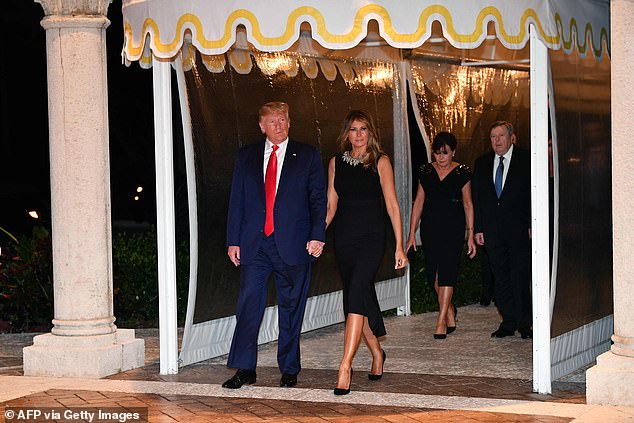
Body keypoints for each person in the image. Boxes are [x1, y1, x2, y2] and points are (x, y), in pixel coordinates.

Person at [223, 101, 327, 389]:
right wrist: (233, 240)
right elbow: (237, 201)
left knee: (291, 308)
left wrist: (317, 235)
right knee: (248, 305)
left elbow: (318, 199)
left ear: (289, 121)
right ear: (261, 126)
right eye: (272, 121)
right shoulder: (246, 156)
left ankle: (289, 369)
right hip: (255, 245)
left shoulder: (307, 155)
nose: (278, 125)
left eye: (282, 119)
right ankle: (245, 369)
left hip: (294, 245)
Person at [325, 110, 408, 396]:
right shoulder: (336, 163)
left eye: (363, 129)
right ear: (346, 133)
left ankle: (345, 366)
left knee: (357, 293)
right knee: (356, 298)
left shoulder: (380, 162)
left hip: (372, 239)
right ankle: (377, 352)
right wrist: (315, 235)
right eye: (353, 129)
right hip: (344, 240)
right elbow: (330, 206)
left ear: (370, 132)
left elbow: (392, 205)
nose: (358, 134)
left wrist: (399, 245)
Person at [405, 132, 476, 339]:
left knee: (448, 271)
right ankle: (450, 309)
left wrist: (470, 234)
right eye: (437, 153)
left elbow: (468, 203)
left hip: (454, 226)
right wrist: (411, 234)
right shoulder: (425, 171)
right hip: (430, 226)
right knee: (432, 274)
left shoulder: (462, 172)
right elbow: (418, 203)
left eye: (445, 153)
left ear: (453, 151)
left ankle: (441, 320)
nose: (441, 157)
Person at [472, 120, 532, 339]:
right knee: (501, 278)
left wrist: (533, 223)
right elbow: (477, 199)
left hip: (519, 230)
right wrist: (478, 228)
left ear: (511, 137)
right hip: (492, 231)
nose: (497, 141)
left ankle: (525, 322)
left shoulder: (527, 160)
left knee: (520, 275)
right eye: (493, 137)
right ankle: (508, 322)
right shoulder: (482, 163)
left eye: (501, 136)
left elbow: (534, 195)